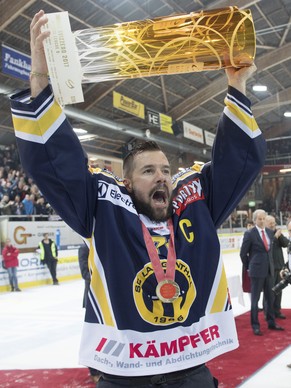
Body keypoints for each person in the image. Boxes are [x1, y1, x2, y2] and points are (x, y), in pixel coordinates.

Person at [9, 10, 266, 387]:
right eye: (148, 171)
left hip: (190, 369)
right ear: (127, 184)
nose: (162, 177)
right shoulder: (103, 208)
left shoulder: (193, 205)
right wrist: (40, 77)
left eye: (165, 169)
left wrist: (237, 85)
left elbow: (235, 163)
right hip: (124, 374)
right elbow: (56, 165)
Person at [240, 209, 284, 336]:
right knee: (255, 300)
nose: (262, 221)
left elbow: (270, 252)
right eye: (260, 219)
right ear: (254, 220)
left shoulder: (270, 233)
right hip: (256, 271)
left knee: (270, 298)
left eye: (264, 218)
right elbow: (243, 254)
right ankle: (255, 325)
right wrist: (250, 266)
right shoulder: (250, 234)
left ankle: (271, 322)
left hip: (269, 270)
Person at [78, 243, 100, 384]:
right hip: (93, 299)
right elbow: (85, 273)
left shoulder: (102, 243)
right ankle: (94, 370)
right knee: (94, 337)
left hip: (109, 301)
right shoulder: (84, 247)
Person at [265, 214, 289, 319]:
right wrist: (275, 237)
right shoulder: (264, 234)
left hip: (279, 267)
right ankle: (268, 312)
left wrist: (280, 235)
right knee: (269, 291)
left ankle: (277, 310)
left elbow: (286, 244)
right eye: (271, 223)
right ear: (266, 223)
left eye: (274, 222)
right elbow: (268, 246)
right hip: (269, 267)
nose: (273, 224)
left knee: (279, 290)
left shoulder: (277, 233)